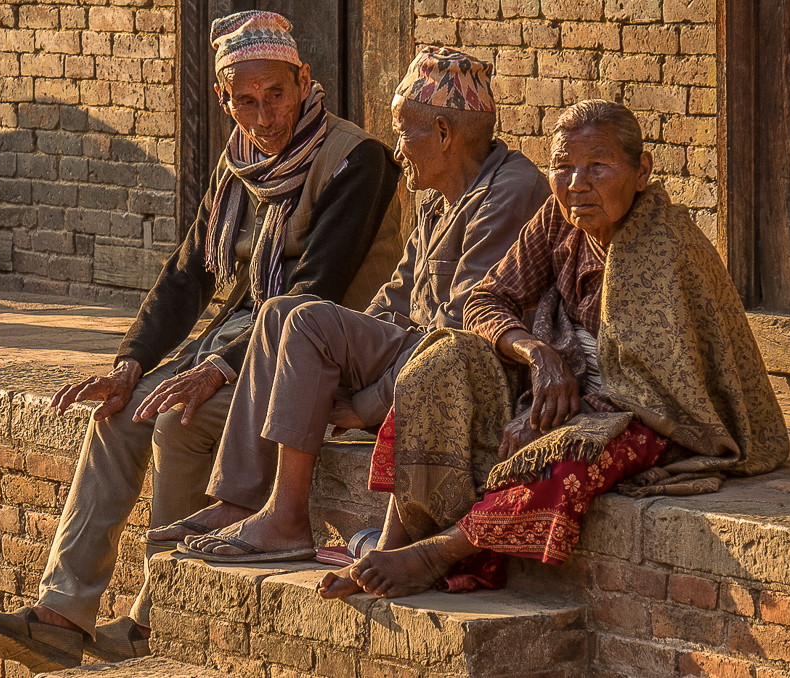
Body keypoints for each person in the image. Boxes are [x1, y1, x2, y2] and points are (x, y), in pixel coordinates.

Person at [0, 10, 403, 672]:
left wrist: (215, 371)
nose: (265, 115)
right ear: (224, 100)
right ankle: (60, 614)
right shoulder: (239, 166)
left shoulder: (354, 159)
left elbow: (313, 291)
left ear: (303, 80)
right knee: (119, 413)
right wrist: (131, 364)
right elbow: (185, 279)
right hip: (237, 339)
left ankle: (152, 614)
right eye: (246, 101)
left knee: (179, 416)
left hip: (322, 353)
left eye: (277, 94)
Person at [317, 99, 790, 599]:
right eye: (562, 168)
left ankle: (439, 552)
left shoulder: (664, 249)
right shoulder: (560, 218)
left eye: (599, 166)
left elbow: (648, 386)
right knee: (439, 361)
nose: (577, 184)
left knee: (569, 453)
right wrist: (539, 357)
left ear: (641, 171)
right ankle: (395, 539)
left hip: (656, 410)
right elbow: (486, 299)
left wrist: (544, 421)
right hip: (565, 380)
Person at [151, 47, 551, 562]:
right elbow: (398, 296)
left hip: (467, 371)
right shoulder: (435, 192)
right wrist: (347, 357)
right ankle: (237, 503)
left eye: (405, 132)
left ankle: (288, 520)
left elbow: (462, 332)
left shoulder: (509, 190)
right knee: (280, 314)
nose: (398, 149)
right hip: (414, 352)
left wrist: (366, 403)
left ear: (446, 134)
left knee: (309, 322)